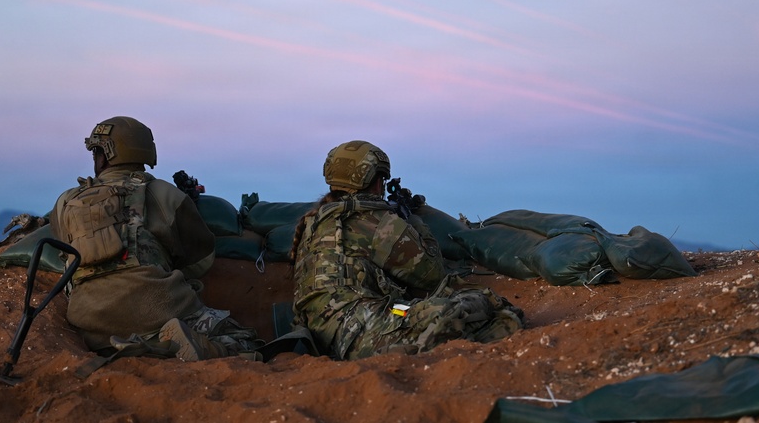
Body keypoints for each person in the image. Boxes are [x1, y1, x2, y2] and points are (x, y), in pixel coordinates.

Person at [48, 116, 261, 362]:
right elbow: (200, 260)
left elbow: (62, 245)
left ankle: (139, 346)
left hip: (89, 322)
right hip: (157, 310)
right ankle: (171, 345)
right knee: (243, 339)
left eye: (95, 153)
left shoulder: (67, 200)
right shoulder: (165, 193)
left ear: (105, 156)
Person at [289, 140, 524, 360]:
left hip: (324, 336)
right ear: (377, 181)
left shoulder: (315, 222)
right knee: (470, 303)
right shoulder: (376, 221)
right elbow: (432, 274)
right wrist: (415, 224)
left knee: (406, 309)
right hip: (363, 328)